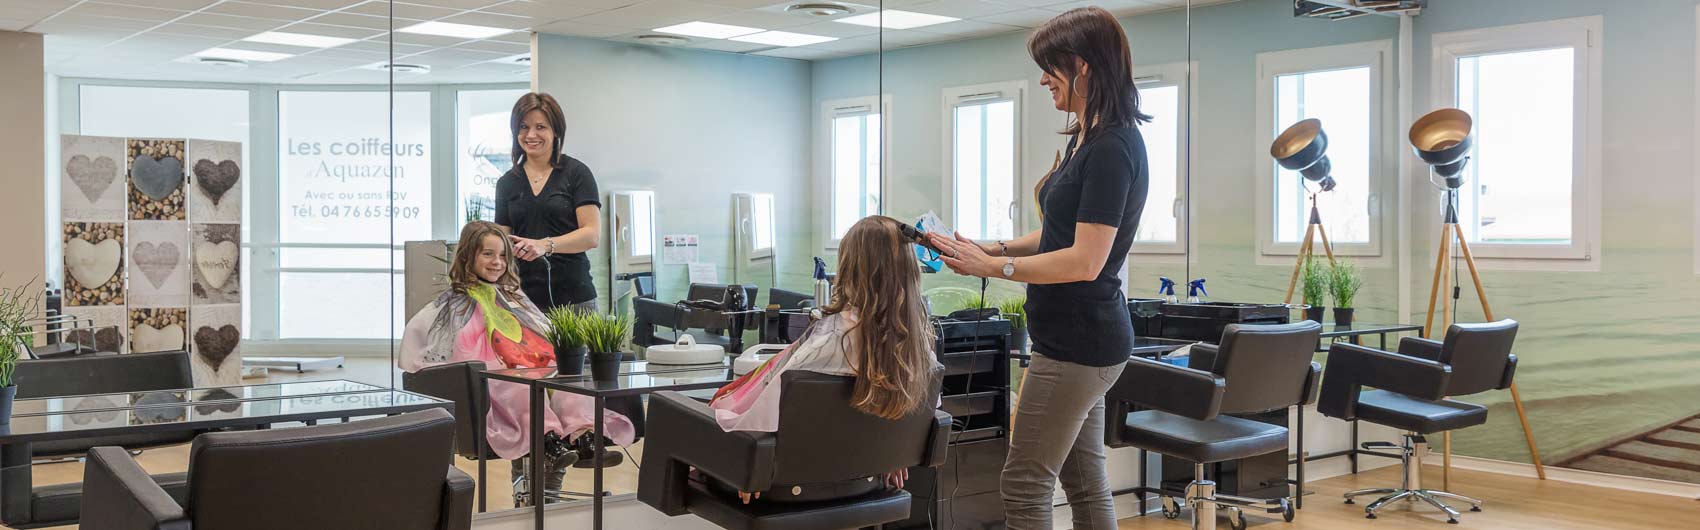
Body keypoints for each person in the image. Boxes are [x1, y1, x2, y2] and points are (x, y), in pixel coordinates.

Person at [926, 7, 1151, 529]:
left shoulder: (1114, 147)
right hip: (1081, 340)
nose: (1044, 79)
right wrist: (992, 247)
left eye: (1051, 67)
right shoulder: (1087, 137)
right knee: (1084, 482)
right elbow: (1061, 233)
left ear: (1084, 66)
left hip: (1078, 344)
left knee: (1025, 484)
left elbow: (1086, 259)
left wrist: (997, 267)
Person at [709, 215, 944, 503]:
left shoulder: (834, 336)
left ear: (850, 268)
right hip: (865, 481)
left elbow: (766, 414)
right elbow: (917, 417)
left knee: (688, 417)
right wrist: (891, 453)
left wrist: (748, 464)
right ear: (910, 272)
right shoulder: (919, 347)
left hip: (782, 486)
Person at [399, 221, 635, 507]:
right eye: (488, 254)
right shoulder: (452, 305)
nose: (497, 262)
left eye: (502, 255)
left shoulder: (512, 296)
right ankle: (549, 440)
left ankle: (584, 437)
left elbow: (545, 334)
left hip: (528, 365)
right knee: (521, 384)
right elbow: (431, 344)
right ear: (467, 256)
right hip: (491, 377)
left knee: (565, 376)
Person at [495, 92, 601, 313]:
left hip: (575, 301)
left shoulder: (577, 173)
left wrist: (543, 245)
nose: (531, 134)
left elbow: (591, 235)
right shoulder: (507, 183)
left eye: (540, 127)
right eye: (523, 127)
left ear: (556, 131)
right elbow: (501, 242)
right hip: (522, 302)